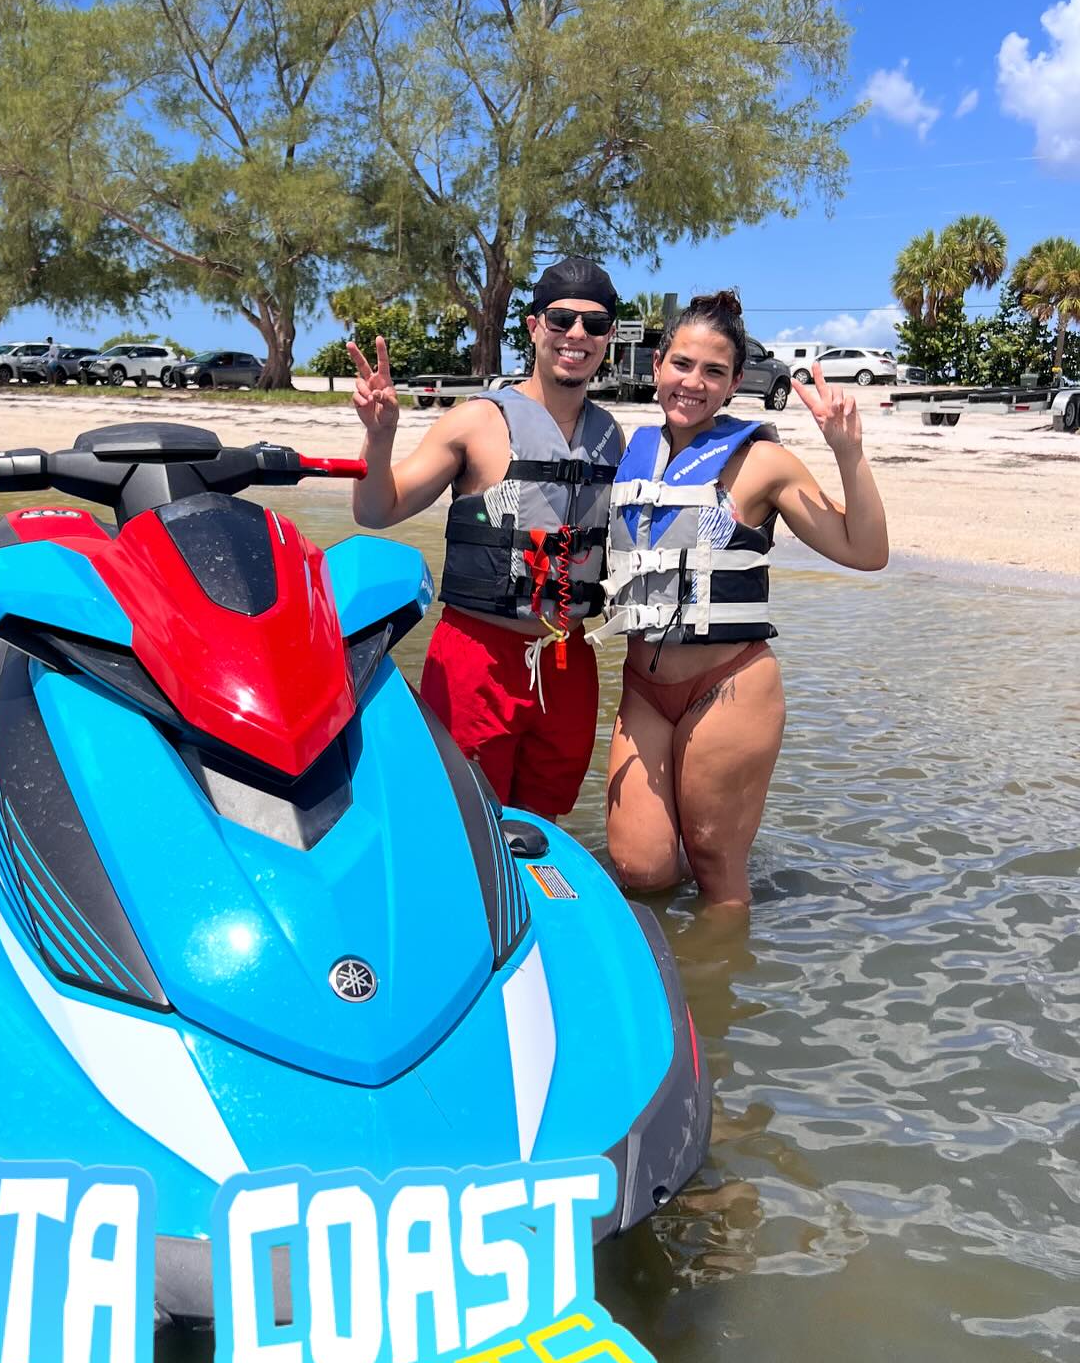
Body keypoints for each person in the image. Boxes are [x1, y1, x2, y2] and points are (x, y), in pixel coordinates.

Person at [591, 290, 888, 909]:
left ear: (733, 385)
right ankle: (679, 962)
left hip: (727, 685)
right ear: (656, 366)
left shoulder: (764, 463)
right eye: (681, 364)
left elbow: (866, 551)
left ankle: (723, 964)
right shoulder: (628, 455)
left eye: (714, 371)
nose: (693, 382)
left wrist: (848, 452)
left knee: (716, 867)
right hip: (645, 690)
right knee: (641, 867)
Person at [349, 257, 624, 819]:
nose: (576, 335)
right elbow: (376, 510)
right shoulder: (474, 421)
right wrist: (379, 438)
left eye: (594, 324)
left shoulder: (611, 437)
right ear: (534, 327)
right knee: (463, 820)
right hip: (478, 660)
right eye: (561, 319)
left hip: (567, 663)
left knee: (543, 825)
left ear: (608, 337)